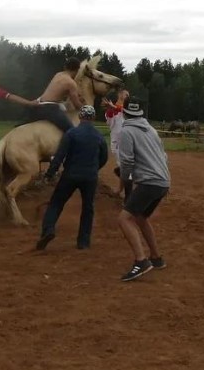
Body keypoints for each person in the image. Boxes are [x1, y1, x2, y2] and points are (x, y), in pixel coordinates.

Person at [36, 105, 109, 251]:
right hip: (90, 177)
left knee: (56, 203)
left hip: (71, 174)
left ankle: (48, 230)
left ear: (80, 117)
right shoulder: (99, 136)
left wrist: (50, 173)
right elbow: (104, 157)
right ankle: (83, 242)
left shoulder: (71, 133)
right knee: (88, 208)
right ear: (93, 118)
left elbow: (59, 156)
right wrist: (94, 169)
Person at [116, 96, 171, 282]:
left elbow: (126, 161)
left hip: (149, 182)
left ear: (124, 112)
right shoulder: (152, 130)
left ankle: (141, 261)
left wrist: (125, 179)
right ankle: (156, 258)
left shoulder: (126, 132)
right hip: (163, 181)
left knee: (124, 219)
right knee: (140, 218)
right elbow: (164, 156)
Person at [23, 57, 84, 132]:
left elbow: (57, 94)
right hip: (50, 109)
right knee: (71, 131)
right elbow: (76, 104)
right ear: (77, 70)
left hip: (39, 105)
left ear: (65, 67)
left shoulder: (58, 74)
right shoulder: (71, 83)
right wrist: (85, 108)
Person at [102, 88, 132, 203]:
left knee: (125, 167)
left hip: (127, 141)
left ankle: (126, 192)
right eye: (126, 94)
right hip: (117, 142)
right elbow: (109, 121)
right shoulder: (112, 111)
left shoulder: (126, 110)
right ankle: (123, 189)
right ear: (120, 95)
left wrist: (114, 107)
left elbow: (123, 110)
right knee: (124, 167)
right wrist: (111, 108)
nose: (128, 96)